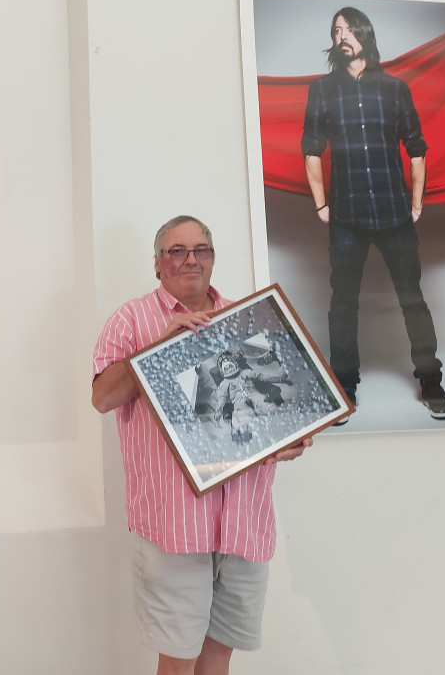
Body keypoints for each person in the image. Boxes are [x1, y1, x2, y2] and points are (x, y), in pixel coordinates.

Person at [92, 215, 312, 675]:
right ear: (158, 263)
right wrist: (154, 350)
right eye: (177, 250)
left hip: (243, 522)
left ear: (212, 259)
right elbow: (102, 398)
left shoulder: (248, 317)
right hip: (175, 527)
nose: (190, 259)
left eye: (201, 250)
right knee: (177, 661)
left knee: (219, 656)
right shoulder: (131, 320)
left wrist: (294, 435)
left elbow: (276, 403)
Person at [301, 6, 445, 422]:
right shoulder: (322, 90)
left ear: (365, 34)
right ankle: (344, 388)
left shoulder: (395, 89)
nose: (341, 36)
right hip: (346, 217)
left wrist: (416, 203)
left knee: (413, 300)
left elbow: (417, 149)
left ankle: (431, 381)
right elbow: (311, 149)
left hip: (394, 213)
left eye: (349, 29)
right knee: (343, 304)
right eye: (335, 30)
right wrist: (321, 205)